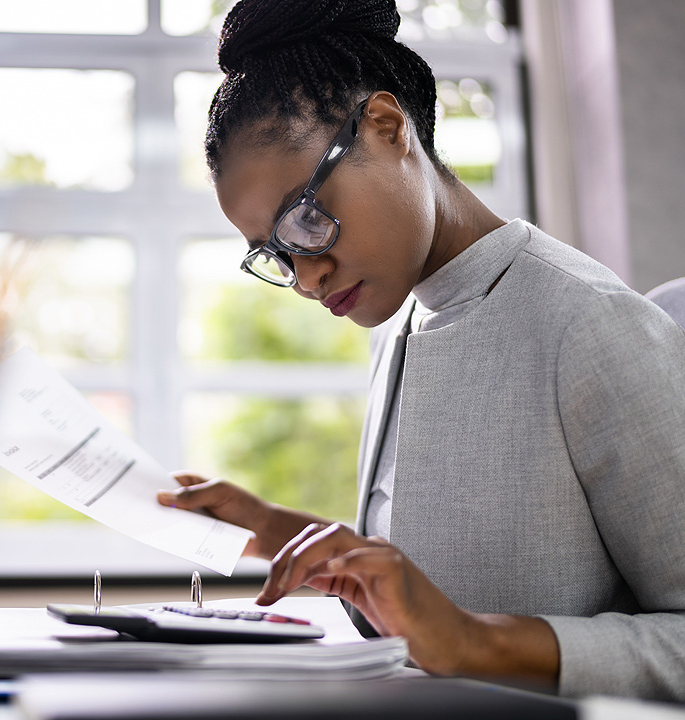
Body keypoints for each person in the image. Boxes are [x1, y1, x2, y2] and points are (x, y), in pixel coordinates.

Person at [157, 0, 685, 702]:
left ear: (386, 126)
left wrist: (478, 641)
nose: (307, 278)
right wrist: (281, 531)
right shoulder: (396, 322)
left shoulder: (589, 326)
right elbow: (425, 592)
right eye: (276, 254)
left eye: (307, 219)